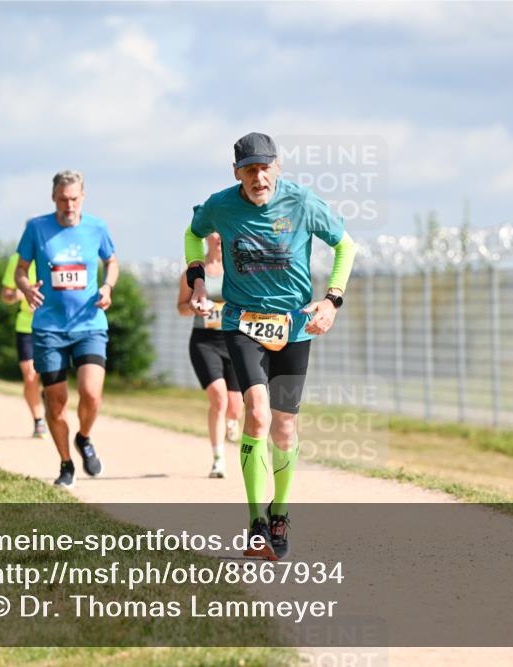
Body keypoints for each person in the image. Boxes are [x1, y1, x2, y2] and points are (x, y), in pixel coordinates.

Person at [184, 132, 356, 560]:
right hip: (242, 322)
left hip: (294, 326)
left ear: (277, 166)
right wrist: (197, 278)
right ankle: (256, 521)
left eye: (265, 168)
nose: (258, 177)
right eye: (249, 170)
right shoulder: (220, 205)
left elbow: (345, 245)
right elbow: (192, 233)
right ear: (236, 173)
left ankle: (280, 512)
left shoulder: (302, 202)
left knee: (284, 426)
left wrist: (332, 300)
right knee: (257, 414)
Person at [14, 170, 118, 488]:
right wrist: (26, 288)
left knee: (91, 393)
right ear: (53, 198)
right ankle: (66, 464)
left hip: (89, 324)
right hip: (49, 329)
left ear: (82, 197)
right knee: (56, 402)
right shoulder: (36, 228)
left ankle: (83, 437)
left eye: (74, 199)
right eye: (62, 199)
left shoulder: (97, 227)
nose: (69, 205)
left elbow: (112, 262)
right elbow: (20, 270)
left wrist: (107, 287)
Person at [176, 232, 244, 478]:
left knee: (235, 407)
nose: (218, 237)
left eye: (222, 232)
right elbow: (181, 307)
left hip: (235, 340)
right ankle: (218, 460)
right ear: (206, 237)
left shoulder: (237, 268)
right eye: (214, 232)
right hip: (204, 341)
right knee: (219, 399)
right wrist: (193, 308)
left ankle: (232, 421)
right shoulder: (194, 272)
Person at [1, 252, 47, 438]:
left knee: (49, 376)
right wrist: (17, 295)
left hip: (51, 326)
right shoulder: (17, 260)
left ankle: (47, 395)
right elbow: (5, 294)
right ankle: (38, 420)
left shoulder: (55, 256)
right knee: (30, 375)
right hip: (26, 326)